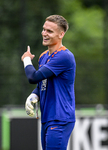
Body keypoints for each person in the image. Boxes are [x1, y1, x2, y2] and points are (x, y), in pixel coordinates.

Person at [21, 15, 76, 150]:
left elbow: (33, 77)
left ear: (61, 34)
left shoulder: (64, 56)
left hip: (59, 118)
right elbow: (42, 82)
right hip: (48, 117)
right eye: (44, 29)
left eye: (49, 31)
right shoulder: (44, 56)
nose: (44, 33)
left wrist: (26, 60)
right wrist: (35, 94)